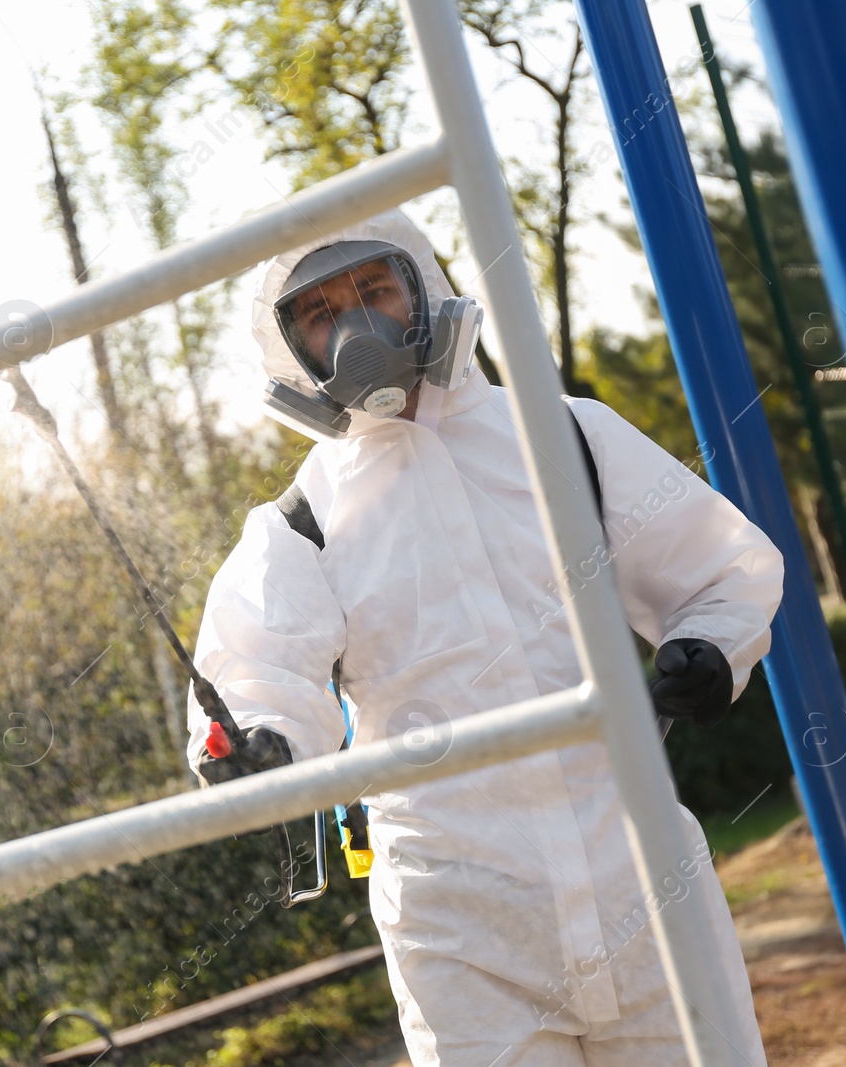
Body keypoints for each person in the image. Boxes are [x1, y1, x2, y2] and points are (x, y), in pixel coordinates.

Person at [184, 209, 781, 1066]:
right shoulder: (303, 524)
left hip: (643, 877)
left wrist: (712, 648)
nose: (357, 324)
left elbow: (722, 570)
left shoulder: (565, 434)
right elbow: (257, 676)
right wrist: (256, 747)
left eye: (374, 289)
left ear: (421, 288)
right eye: (321, 313)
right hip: (458, 929)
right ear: (293, 351)